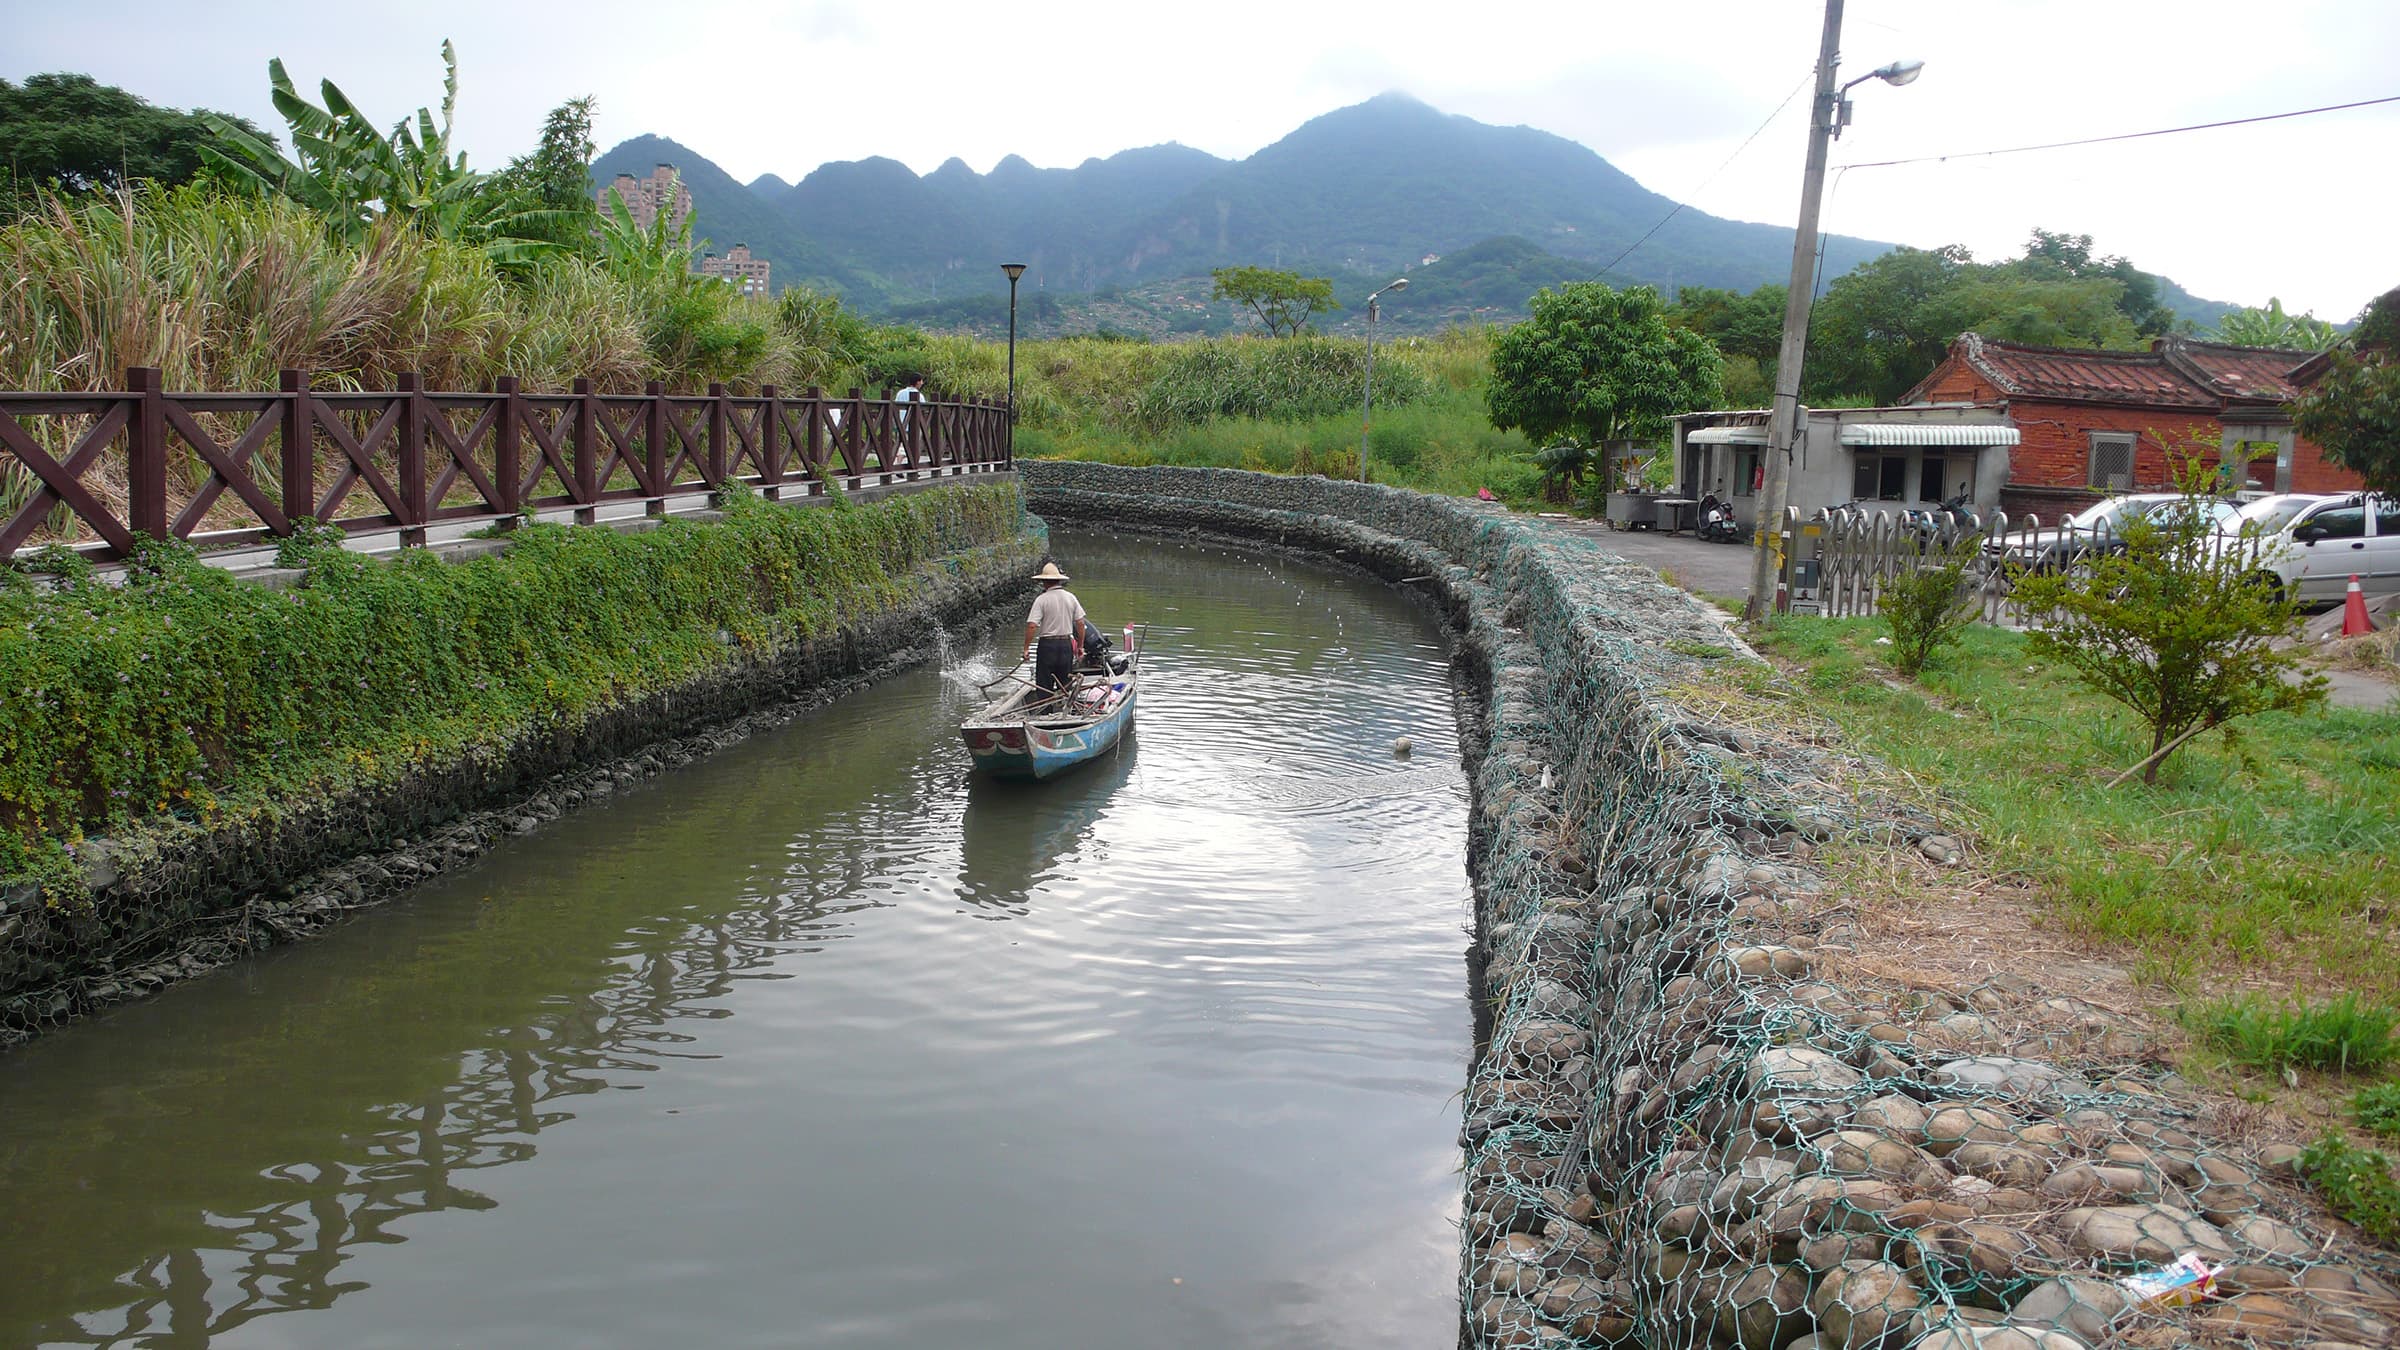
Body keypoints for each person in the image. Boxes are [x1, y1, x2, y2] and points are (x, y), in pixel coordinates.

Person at [1022, 561, 1088, 699]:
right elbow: (1081, 623)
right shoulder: (1071, 598)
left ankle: (1045, 714)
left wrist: (1026, 648)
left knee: (1044, 683)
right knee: (1065, 683)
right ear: (1059, 580)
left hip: (1047, 646)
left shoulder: (1041, 600)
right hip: (1066, 645)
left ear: (1044, 582)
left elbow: (1032, 625)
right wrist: (1080, 646)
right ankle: (1065, 710)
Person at [892, 374, 926, 467]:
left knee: (902, 444)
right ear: (918, 382)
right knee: (915, 446)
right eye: (921, 381)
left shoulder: (900, 393)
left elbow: (895, 406)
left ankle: (902, 464)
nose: (922, 383)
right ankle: (909, 465)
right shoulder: (919, 395)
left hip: (901, 423)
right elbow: (923, 409)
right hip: (914, 425)